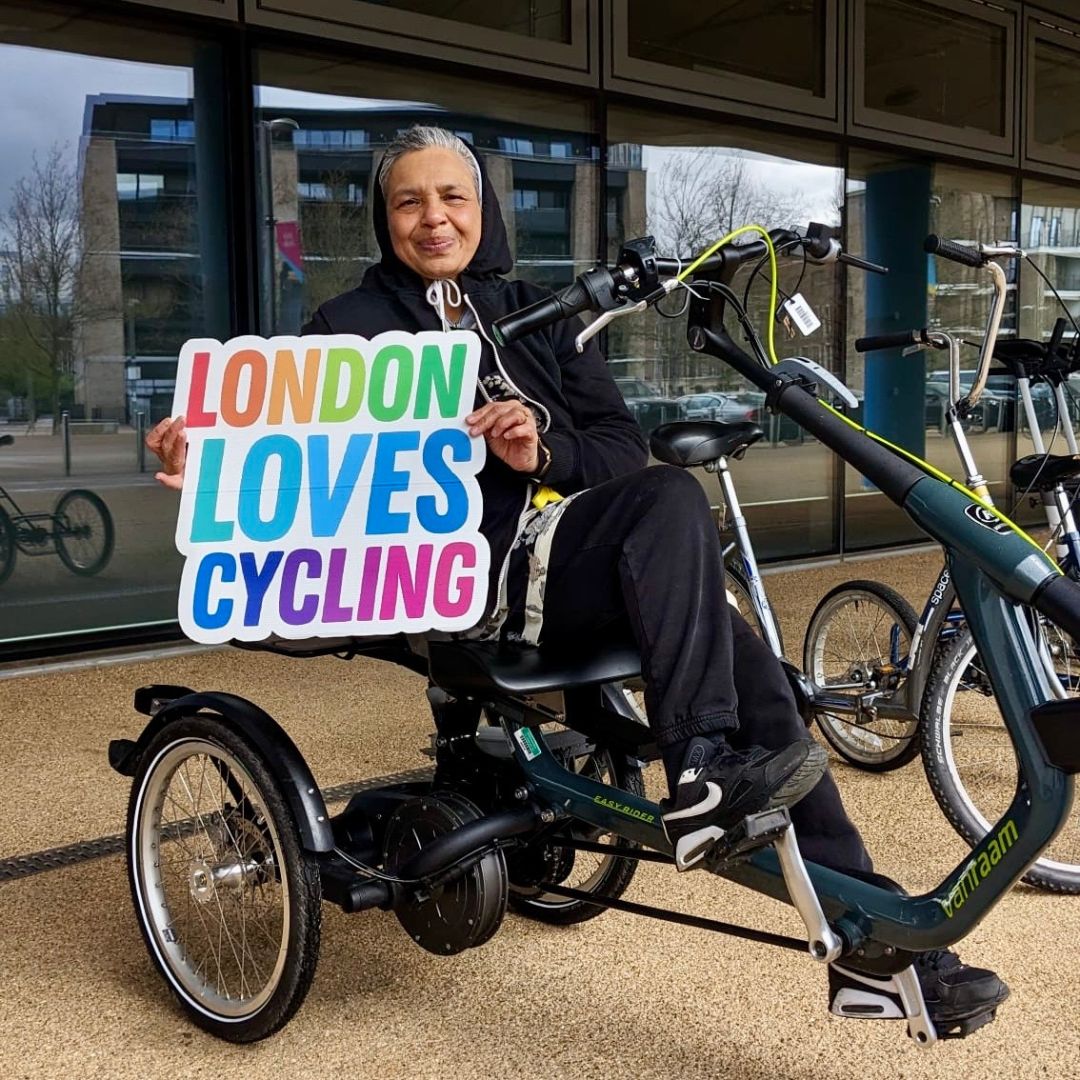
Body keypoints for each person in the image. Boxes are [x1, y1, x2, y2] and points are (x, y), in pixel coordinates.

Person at [148, 125, 1007, 1033]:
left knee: (748, 668)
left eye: (454, 198)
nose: (433, 218)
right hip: (462, 585)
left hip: (569, 566)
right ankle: (704, 772)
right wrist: (207, 453)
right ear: (384, 218)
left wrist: (541, 446)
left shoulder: (538, 314)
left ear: (485, 211)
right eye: (409, 201)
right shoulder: (345, 330)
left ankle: (871, 946)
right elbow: (285, 448)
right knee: (685, 540)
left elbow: (618, 450)